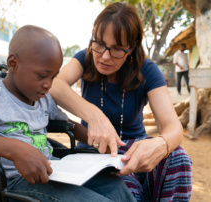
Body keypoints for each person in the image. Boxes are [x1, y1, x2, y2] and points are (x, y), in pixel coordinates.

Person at [0, 25, 136, 202]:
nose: (49, 84)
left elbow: (69, 125)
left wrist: (106, 145)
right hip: (13, 183)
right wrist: (14, 149)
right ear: (14, 64)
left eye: (53, 77)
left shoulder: (42, 96)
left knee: (114, 187)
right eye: (43, 76)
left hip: (53, 171)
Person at [49, 2, 192, 202]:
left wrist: (161, 144)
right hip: (95, 152)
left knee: (179, 159)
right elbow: (54, 83)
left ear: (132, 49)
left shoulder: (147, 70)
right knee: (124, 188)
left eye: (117, 49)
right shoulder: (86, 57)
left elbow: (171, 125)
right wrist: (94, 114)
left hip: (136, 147)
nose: (105, 56)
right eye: (98, 43)